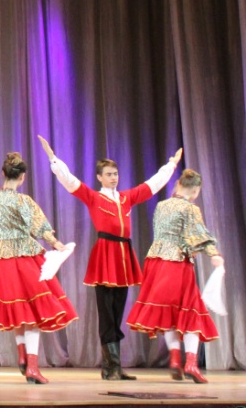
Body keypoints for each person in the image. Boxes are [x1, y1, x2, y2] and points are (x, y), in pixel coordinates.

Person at [39, 136, 182, 381]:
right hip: (105, 255)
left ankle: (113, 366)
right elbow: (70, 181)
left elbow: (152, 185)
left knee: (116, 313)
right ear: (99, 177)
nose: (113, 178)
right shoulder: (94, 197)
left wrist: (171, 165)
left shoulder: (126, 198)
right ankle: (111, 367)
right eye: (108, 174)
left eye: (115, 174)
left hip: (124, 257)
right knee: (106, 313)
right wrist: (53, 158)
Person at [0, 152, 77, 384]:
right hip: (23, 256)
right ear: (22, 177)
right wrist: (56, 243)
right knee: (33, 310)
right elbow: (38, 226)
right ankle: (32, 367)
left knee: (18, 309)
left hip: (1, 257)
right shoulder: (23, 201)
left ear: (3, 173)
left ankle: (23, 357)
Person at [126, 169, 223, 384]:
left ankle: (175, 359)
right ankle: (191, 364)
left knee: (168, 312)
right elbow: (198, 234)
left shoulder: (162, 206)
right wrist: (214, 254)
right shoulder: (190, 208)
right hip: (177, 263)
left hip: (155, 262)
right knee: (190, 311)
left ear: (178, 184)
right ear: (196, 190)